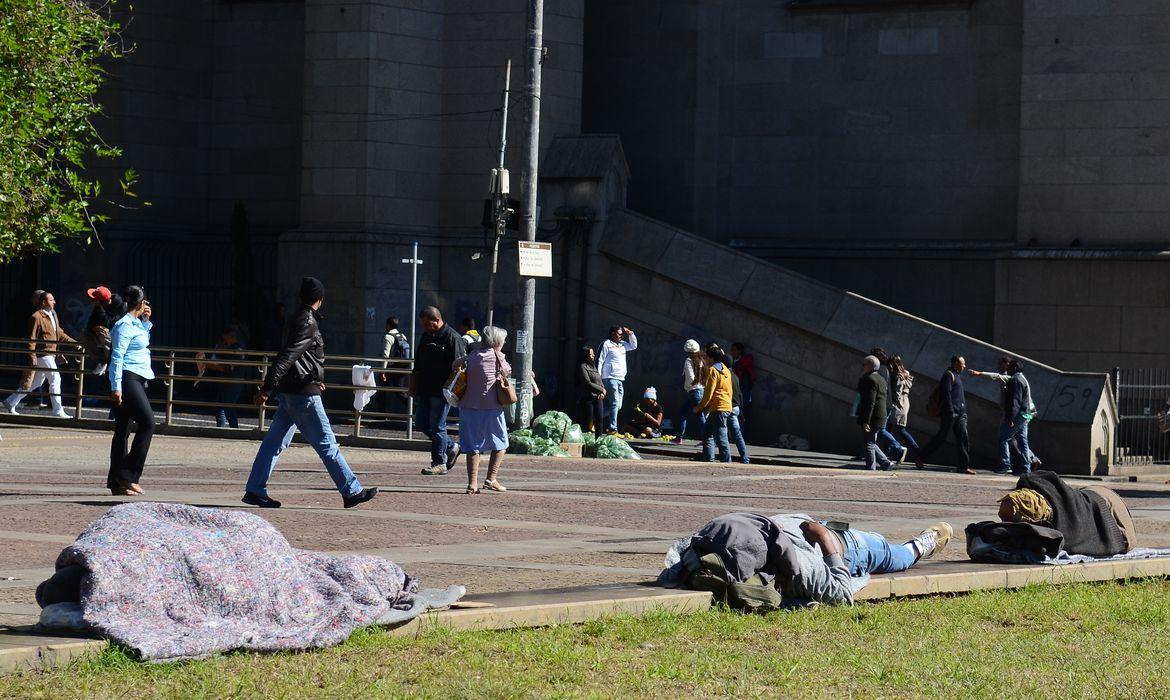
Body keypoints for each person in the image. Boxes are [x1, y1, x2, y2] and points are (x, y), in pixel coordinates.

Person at [243, 277, 378, 509]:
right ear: (320, 299)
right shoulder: (307, 321)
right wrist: (267, 388)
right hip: (301, 394)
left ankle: (255, 489)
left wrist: (311, 380)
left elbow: (300, 358)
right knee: (327, 444)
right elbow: (289, 356)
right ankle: (352, 491)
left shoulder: (296, 318)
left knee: (274, 443)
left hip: (293, 391)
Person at [665, 512, 952, 607]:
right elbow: (840, 593)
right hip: (834, 540)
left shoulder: (796, 561)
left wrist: (825, 538)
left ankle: (921, 545)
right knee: (895, 555)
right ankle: (920, 545)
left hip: (835, 538)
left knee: (895, 553)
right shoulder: (797, 563)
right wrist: (825, 539)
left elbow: (841, 594)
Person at [107, 286, 155, 496]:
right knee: (148, 422)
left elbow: (142, 342)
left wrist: (145, 322)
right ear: (140, 302)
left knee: (123, 430)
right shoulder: (123, 325)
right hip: (127, 377)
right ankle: (128, 474)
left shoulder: (136, 323)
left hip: (138, 375)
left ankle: (116, 482)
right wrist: (115, 386)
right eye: (145, 302)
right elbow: (117, 357)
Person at [455, 325, 512, 494]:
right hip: (491, 408)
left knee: (473, 446)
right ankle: (491, 479)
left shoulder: (471, 356)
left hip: (468, 407)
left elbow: (455, 364)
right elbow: (507, 371)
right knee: (501, 443)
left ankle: (472, 484)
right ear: (497, 342)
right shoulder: (499, 358)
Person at [4, 290, 76, 418]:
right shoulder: (36, 317)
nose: (54, 302)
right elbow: (31, 338)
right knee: (55, 378)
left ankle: (10, 401)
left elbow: (59, 333)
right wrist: (32, 355)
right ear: (44, 302)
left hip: (51, 354)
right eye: (51, 300)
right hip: (43, 354)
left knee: (35, 383)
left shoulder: (53, 314)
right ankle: (58, 410)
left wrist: (75, 343)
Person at [412, 306, 467, 475]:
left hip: (442, 391)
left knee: (437, 426)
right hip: (425, 388)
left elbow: (460, 369)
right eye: (423, 325)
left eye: (428, 324)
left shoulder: (453, 338)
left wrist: (453, 391)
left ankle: (439, 462)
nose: (426, 328)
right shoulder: (426, 336)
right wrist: (413, 384)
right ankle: (451, 446)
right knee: (421, 423)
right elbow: (418, 362)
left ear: (437, 320)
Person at [970, 357, 1041, 472]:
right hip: (1027, 414)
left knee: (1003, 438)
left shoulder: (1014, 380)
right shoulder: (1022, 378)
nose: (1007, 369)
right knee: (1022, 440)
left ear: (1014, 367)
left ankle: (1005, 465)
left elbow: (1015, 402)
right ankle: (1026, 466)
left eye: (1009, 367)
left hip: (1020, 414)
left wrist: (1010, 418)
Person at [919, 356, 976, 474]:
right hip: (951, 413)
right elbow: (946, 393)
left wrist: (963, 410)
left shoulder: (957, 375)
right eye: (963, 363)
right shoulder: (948, 375)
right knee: (941, 437)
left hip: (961, 413)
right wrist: (950, 410)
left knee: (963, 438)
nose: (964, 366)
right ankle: (921, 457)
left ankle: (963, 466)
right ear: (956, 363)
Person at [869, 347, 908, 465]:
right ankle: (881, 456)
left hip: (883, 404)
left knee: (879, 430)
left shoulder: (881, 369)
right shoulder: (887, 368)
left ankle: (897, 447)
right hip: (887, 404)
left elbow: (880, 388)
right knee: (878, 431)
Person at [695, 344, 733, 463]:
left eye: (706, 358)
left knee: (721, 436)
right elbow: (729, 390)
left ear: (711, 358)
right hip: (724, 405)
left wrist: (699, 407)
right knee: (707, 433)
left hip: (718, 407)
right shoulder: (726, 370)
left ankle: (727, 460)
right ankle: (708, 458)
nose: (705, 360)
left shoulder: (713, 370)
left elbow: (708, 393)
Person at [887, 355, 925, 469]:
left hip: (898, 405)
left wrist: (893, 405)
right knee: (891, 429)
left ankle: (915, 452)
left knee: (896, 429)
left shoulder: (898, 376)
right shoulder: (906, 374)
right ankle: (888, 455)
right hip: (905, 402)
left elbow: (897, 393)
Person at [202, 326, 245, 428]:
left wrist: (209, 364)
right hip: (229, 383)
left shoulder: (237, 350)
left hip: (231, 383)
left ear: (230, 336)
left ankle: (228, 430)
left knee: (225, 409)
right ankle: (229, 430)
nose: (224, 340)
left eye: (225, 337)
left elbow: (227, 368)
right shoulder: (233, 348)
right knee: (224, 408)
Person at [598, 325, 638, 433]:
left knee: (617, 406)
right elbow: (600, 360)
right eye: (619, 333)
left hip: (620, 378)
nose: (621, 335)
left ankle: (597, 417)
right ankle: (612, 428)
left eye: (622, 334)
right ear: (612, 334)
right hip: (609, 377)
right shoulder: (606, 344)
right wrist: (599, 379)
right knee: (615, 403)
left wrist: (631, 334)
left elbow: (634, 346)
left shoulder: (623, 344)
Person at [857, 355, 894, 471]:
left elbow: (870, 402)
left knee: (868, 444)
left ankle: (870, 469)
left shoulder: (869, 379)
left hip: (873, 416)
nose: (862, 367)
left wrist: (866, 421)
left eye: (864, 364)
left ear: (869, 366)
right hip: (881, 415)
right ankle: (885, 463)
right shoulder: (881, 379)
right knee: (871, 442)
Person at [672, 339, 706, 444]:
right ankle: (706, 438)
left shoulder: (688, 360)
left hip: (694, 391)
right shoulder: (702, 360)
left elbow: (691, 378)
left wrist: (692, 384)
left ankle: (707, 439)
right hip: (701, 390)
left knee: (691, 414)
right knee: (697, 415)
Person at [379, 315, 411, 414]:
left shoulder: (388, 336)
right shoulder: (402, 335)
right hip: (403, 366)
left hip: (391, 368)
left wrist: (382, 371)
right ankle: (414, 408)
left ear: (388, 325)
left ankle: (381, 414)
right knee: (399, 390)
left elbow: (386, 355)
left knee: (381, 390)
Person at [82, 286, 115, 375]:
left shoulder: (109, 309)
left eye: (94, 299)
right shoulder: (97, 309)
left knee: (101, 330)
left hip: (114, 338)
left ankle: (112, 361)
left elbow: (110, 324)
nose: (92, 300)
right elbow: (90, 326)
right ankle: (103, 361)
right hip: (98, 339)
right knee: (86, 334)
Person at [576, 346, 606, 435]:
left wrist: (602, 391)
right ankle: (585, 441)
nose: (593, 356)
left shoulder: (593, 367)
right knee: (588, 421)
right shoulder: (583, 367)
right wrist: (601, 390)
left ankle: (598, 440)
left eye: (593, 353)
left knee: (599, 420)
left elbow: (599, 380)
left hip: (598, 397)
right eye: (590, 354)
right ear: (585, 355)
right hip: (588, 398)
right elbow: (587, 383)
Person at [729, 342, 756, 435]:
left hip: (743, 391)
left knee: (742, 413)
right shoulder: (732, 361)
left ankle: (741, 436)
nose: (732, 352)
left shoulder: (743, 362)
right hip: (735, 391)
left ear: (739, 351)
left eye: (734, 350)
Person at [728, 369, 751, 464]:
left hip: (728, 406)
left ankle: (726, 459)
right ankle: (745, 458)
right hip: (736, 407)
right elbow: (740, 394)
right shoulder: (735, 376)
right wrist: (741, 411)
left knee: (722, 434)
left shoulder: (726, 376)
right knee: (737, 435)